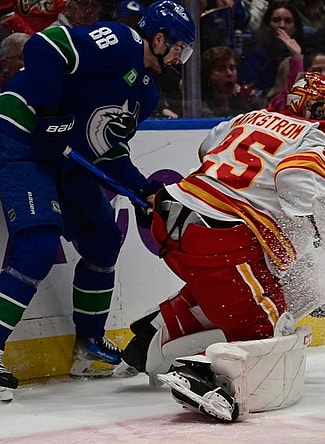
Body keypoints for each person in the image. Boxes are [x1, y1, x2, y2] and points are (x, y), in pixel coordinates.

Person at [119, 71, 325, 422]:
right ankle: (205, 377)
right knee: (267, 329)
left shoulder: (252, 115)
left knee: (235, 290)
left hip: (171, 219)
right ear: (318, 110)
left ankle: (159, 330)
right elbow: (296, 182)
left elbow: (207, 148)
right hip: (218, 237)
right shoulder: (317, 137)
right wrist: (317, 222)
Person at [0, 0, 196, 402]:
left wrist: (142, 189)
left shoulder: (147, 90)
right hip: (22, 135)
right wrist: (52, 113)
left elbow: (104, 149)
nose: (180, 58)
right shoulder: (121, 40)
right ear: (158, 38)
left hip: (62, 156)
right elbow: (45, 47)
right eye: (179, 47)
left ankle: (89, 347)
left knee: (103, 240)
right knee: (37, 245)